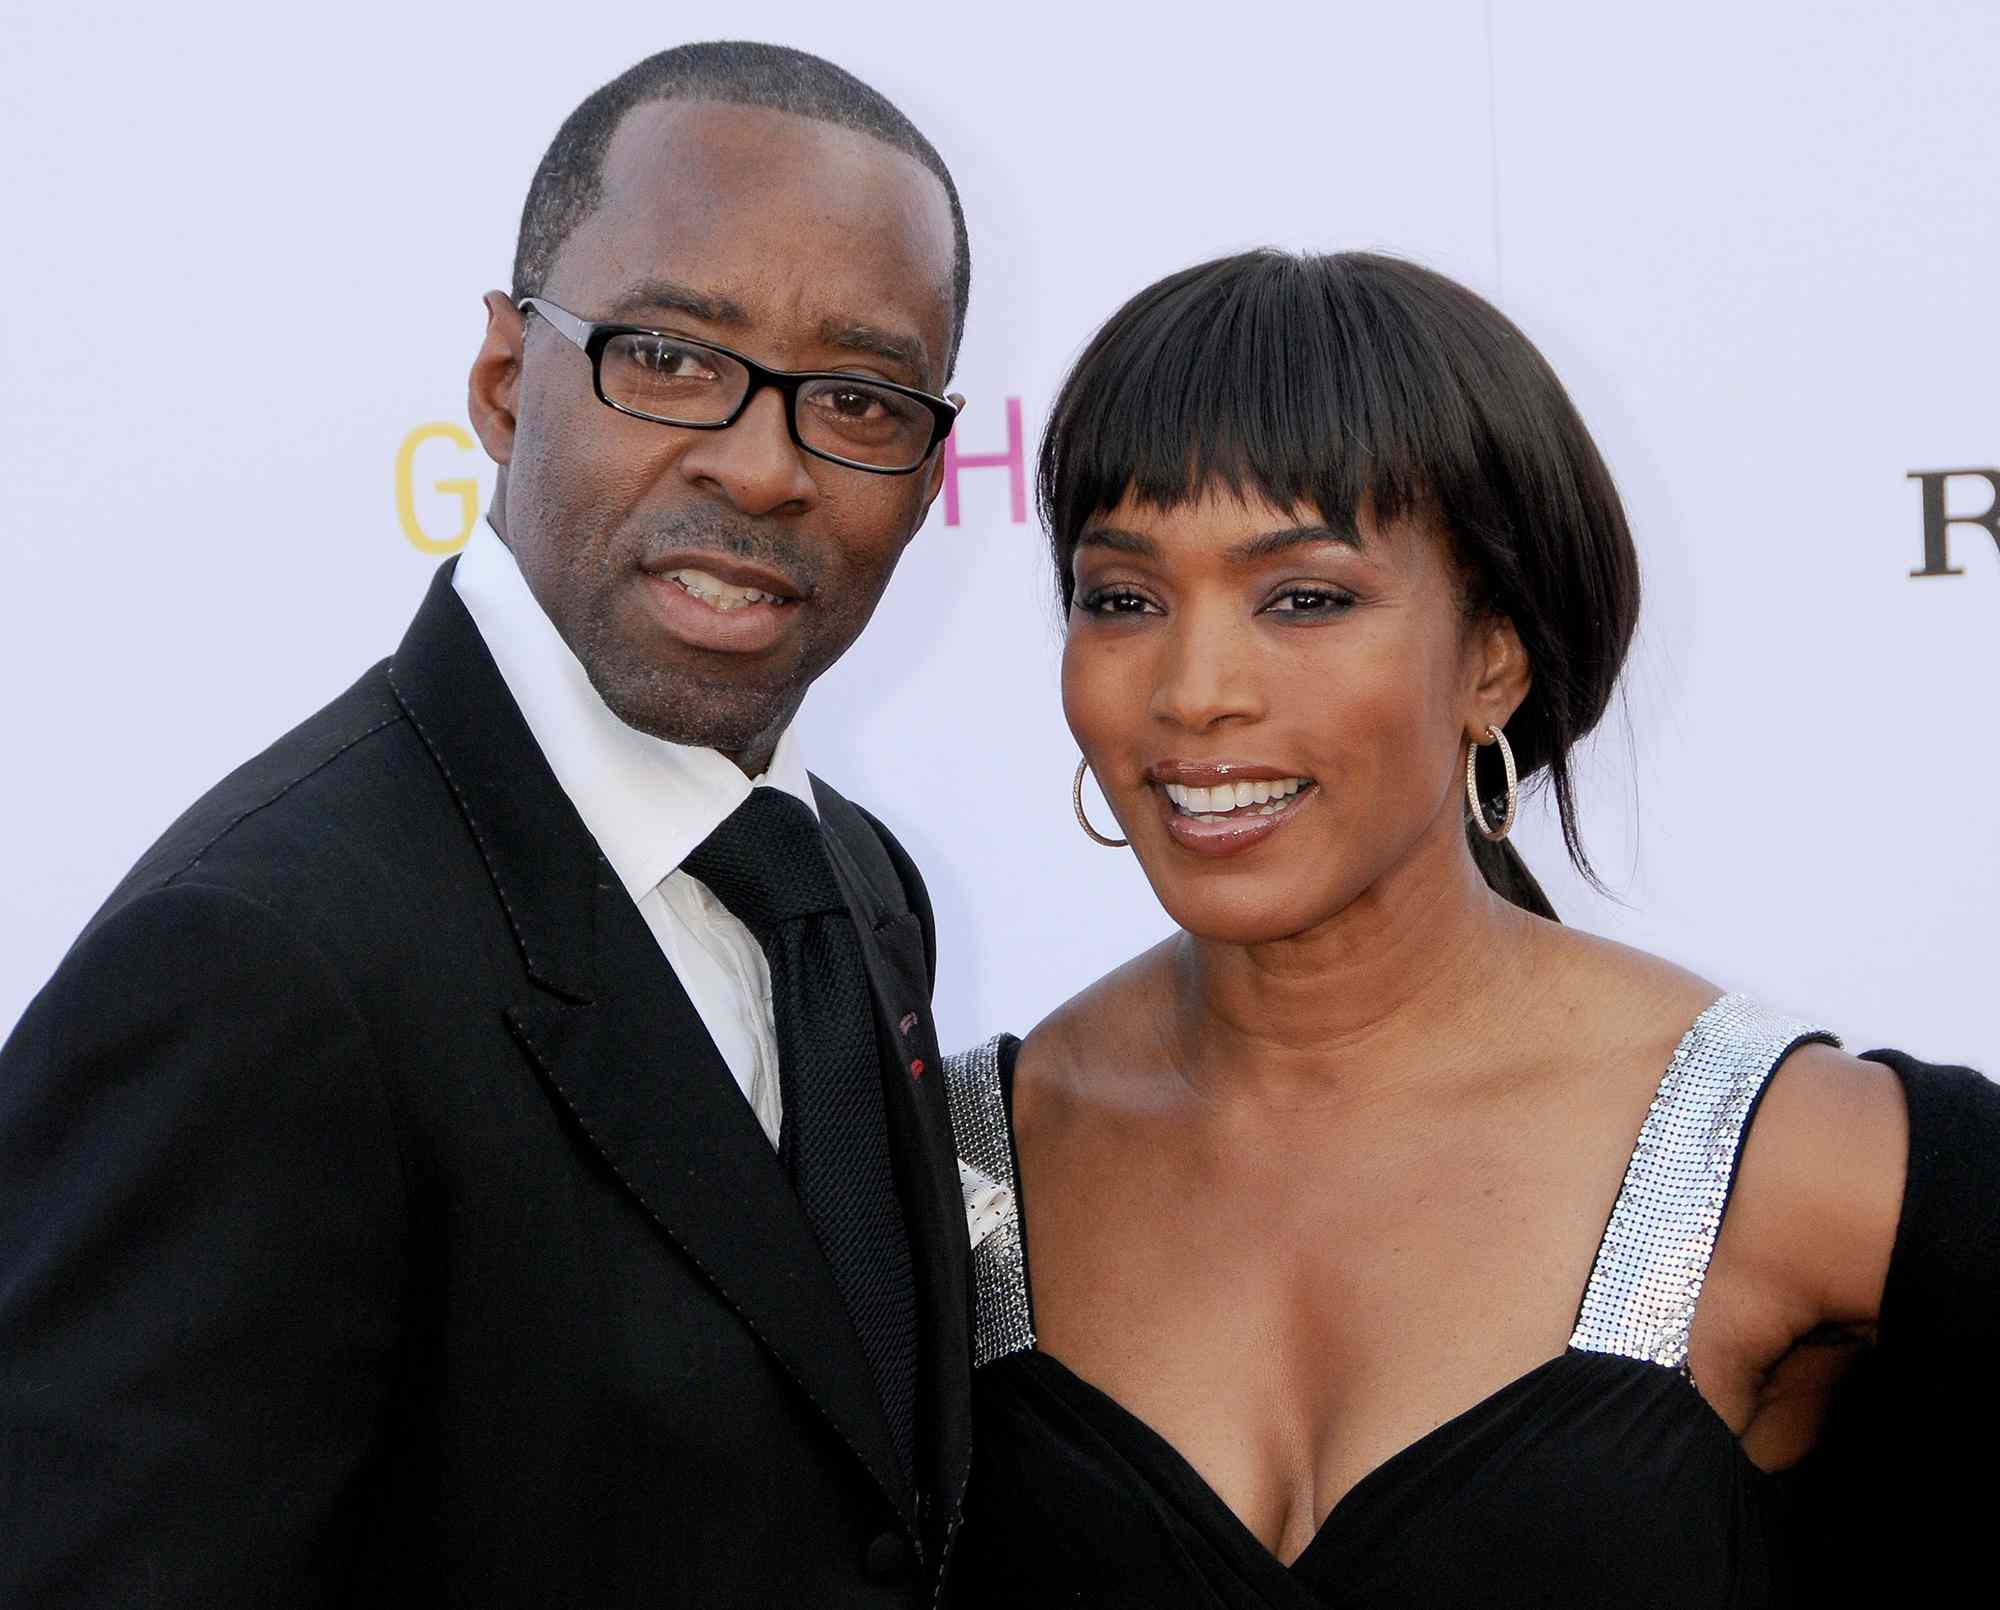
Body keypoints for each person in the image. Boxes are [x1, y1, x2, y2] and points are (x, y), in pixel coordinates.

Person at [0, 41, 977, 1608]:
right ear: (507, 381)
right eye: (666, 357)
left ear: (930, 473)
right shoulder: (254, 968)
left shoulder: (856, 888)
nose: (760, 462)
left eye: (856, 400)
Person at [939, 250, 1998, 1607]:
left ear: (1492, 658)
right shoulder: (952, 1175)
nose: (1193, 691)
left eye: (1303, 598)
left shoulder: (1775, 1159)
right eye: (1123, 598)